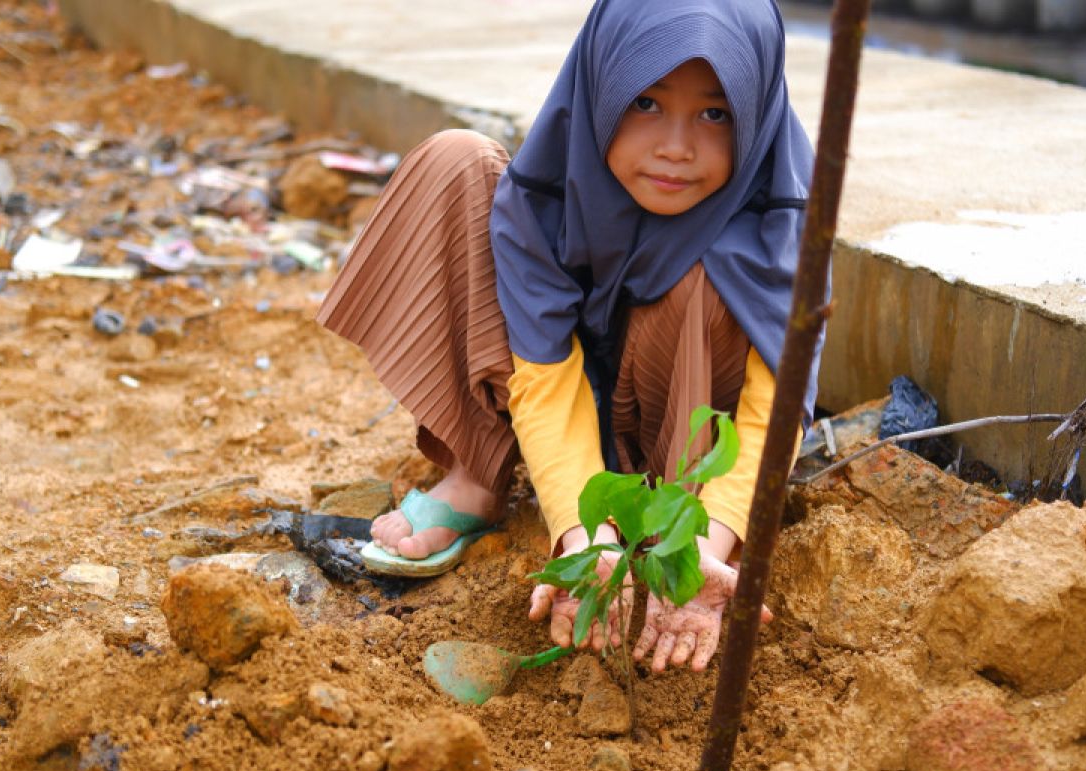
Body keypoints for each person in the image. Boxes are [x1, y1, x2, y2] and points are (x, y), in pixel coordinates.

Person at [316, 0, 821, 672]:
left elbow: (773, 409)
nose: (676, 145)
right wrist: (583, 536)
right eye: (645, 102)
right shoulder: (551, 188)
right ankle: (477, 473)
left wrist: (712, 540)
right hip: (563, 413)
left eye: (716, 113)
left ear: (755, 116)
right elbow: (545, 377)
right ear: (601, 86)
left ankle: (672, 525)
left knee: (704, 268)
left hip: (678, 447)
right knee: (457, 161)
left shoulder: (779, 217)